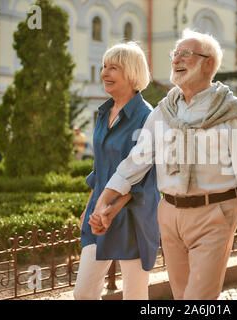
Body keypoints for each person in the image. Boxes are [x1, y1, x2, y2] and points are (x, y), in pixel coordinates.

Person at [90, 29, 237, 300]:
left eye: (185, 54)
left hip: (216, 213)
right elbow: (136, 161)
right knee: (180, 296)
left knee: (197, 299)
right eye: (175, 54)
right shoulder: (164, 111)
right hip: (170, 213)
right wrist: (105, 199)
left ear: (208, 63)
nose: (176, 60)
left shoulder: (230, 111)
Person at [73, 42, 160, 300]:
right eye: (103, 67)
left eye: (113, 68)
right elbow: (100, 167)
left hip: (134, 215)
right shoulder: (103, 113)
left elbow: (146, 174)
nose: (104, 73)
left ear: (132, 73)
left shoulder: (148, 117)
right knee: (84, 293)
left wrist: (112, 208)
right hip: (99, 213)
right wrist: (90, 207)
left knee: (134, 295)